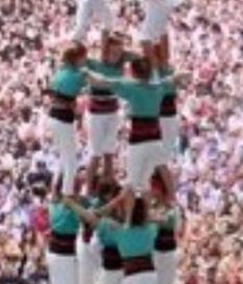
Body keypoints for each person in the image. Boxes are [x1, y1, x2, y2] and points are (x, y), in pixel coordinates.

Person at [82, 53, 188, 197]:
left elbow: (101, 81)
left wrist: (86, 71)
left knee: (132, 184)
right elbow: (179, 77)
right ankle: (172, 199)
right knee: (154, 174)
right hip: (155, 138)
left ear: (133, 72)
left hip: (138, 140)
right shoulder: (159, 86)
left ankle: (128, 216)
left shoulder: (130, 86)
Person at [86, 33, 128, 191]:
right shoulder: (95, 64)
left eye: (119, 53)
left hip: (112, 112)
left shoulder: (120, 69)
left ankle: (109, 187)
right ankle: (89, 190)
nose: (116, 56)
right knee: (96, 154)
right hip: (96, 114)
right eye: (113, 53)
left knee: (109, 153)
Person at [47, 44, 89, 198]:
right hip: (63, 120)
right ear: (77, 58)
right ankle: (67, 196)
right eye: (84, 57)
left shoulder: (62, 71)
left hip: (53, 117)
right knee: (71, 162)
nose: (86, 60)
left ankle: (55, 193)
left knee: (64, 159)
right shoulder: (76, 76)